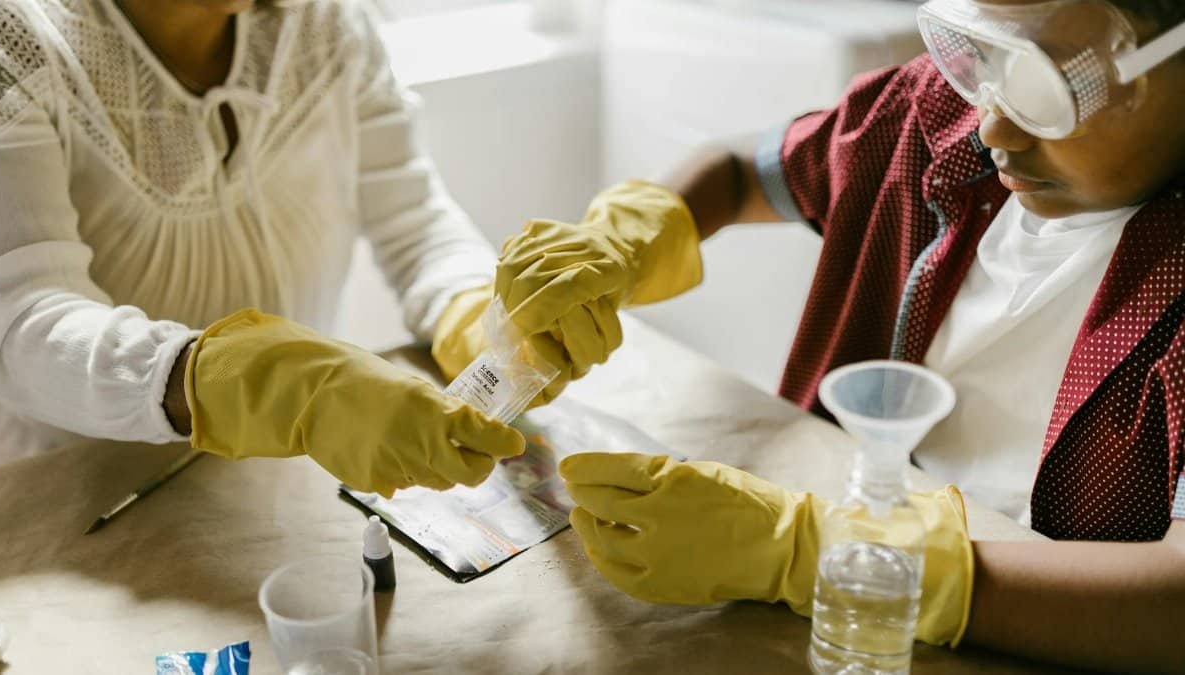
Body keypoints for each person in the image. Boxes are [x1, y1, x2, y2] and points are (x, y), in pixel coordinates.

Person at [493, 0, 1185, 670]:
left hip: (1039, 626)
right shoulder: (934, 122)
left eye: (1050, 84)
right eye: (984, 56)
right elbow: (739, 172)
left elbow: (1169, 607)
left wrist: (832, 554)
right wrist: (629, 236)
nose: (995, 127)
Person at [0, 0, 594, 495]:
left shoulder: (327, 21)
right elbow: (22, 326)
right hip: (75, 490)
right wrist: (248, 381)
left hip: (281, 477)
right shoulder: (8, 40)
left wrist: (479, 318)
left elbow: (416, 221)